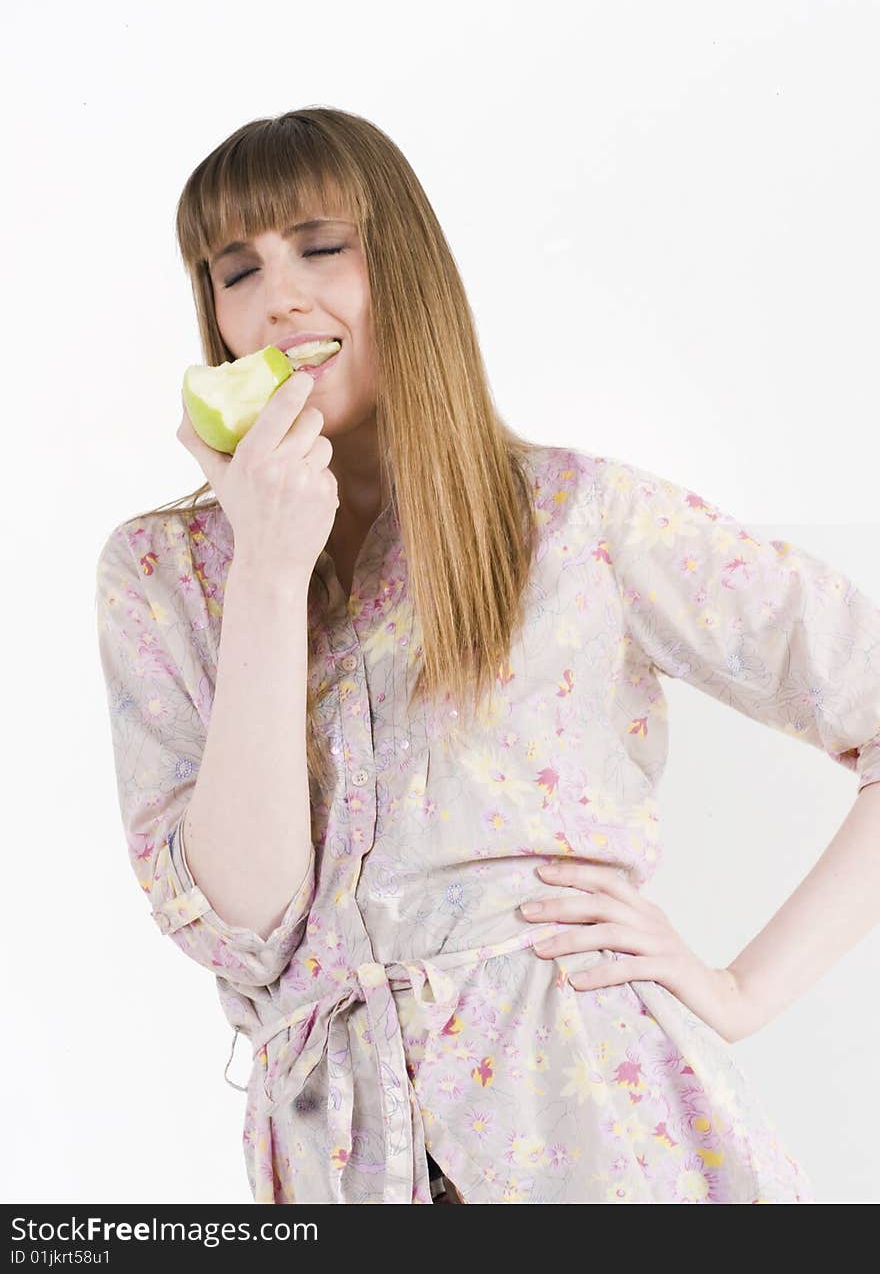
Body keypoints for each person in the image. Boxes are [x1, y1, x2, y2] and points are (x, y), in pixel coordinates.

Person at [95, 107, 880, 1205]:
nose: (277, 297)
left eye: (322, 247)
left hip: (606, 1138)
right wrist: (271, 569)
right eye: (236, 270)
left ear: (406, 267)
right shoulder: (165, 575)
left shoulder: (575, 519)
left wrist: (739, 990)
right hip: (338, 1170)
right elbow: (245, 921)